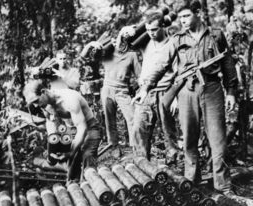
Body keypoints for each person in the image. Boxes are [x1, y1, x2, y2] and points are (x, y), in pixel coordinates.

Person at [133, 0, 237, 195]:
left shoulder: (216, 35)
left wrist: (231, 92)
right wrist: (146, 88)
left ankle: (223, 186)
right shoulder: (177, 39)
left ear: (198, 13)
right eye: (180, 17)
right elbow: (162, 65)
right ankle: (192, 182)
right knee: (189, 137)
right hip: (186, 91)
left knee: (218, 139)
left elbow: (228, 64)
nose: (182, 21)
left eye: (186, 16)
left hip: (212, 89)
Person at [23, 80, 102, 181]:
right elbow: (50, 122)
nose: (36, 105)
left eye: (36, 101)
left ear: (43, 92)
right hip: (71, 130)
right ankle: (75, 187)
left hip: (89, 127)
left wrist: (71, 151)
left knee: (87, 156)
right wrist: (53, 147)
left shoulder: (69, 99)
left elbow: (82, 128)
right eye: (32, 103)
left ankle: (95, 186)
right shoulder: (45, 104)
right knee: (71, 165)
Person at [80, 28, 141, 152]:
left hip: (123, 91)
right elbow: (84, 57)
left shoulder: (132, 55)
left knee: (132, 118)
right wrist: (91, 44)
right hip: (107, 89)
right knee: (109, 120)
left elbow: (139, 75)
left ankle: (136, 147)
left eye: (125, 39)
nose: (120, 43)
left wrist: (141, 91)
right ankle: (114, 146)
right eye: (119, 39)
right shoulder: (106, 53)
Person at [130, 10, 179, 162]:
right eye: (148, 30)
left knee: (168, 132)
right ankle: (143, 165)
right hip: (145, 91)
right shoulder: (145, 43)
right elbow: (123, 46)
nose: (151, 33)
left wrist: (175, 96)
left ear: (163, 27)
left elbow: (178, 73)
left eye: (154, 29)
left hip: (166, 91)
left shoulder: (173, 44)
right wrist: (126, 32)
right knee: (139, 129)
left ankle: (173, 168)